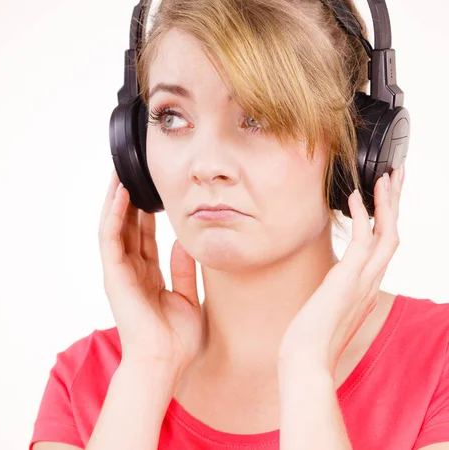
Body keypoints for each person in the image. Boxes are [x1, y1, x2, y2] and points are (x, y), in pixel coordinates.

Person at [29, 1, 449, 449]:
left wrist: (307, 370)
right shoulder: (87, 383)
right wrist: (149, 367)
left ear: (355, 149)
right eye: (171, 117)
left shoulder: (437, 363)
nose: (206, 165)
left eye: (258, 118)